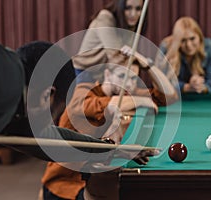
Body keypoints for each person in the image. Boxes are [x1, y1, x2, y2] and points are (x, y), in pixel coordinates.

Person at [0, 29, 156, 163]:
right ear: (46, 96)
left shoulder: (16, 117)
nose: (49, 123)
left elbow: (56, 142)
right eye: (55, 113)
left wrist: (112, 150)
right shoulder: (4, 72)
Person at [41, 56, 178, 199]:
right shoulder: (83, 90)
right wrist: (139, 100)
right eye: (122, 75)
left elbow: (168, 96)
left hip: (94, 180)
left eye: (133, 79)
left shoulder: (124, 93)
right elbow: (93, 105)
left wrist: (149, 64)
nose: (128, 85)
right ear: (107, 74)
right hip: (65, 184)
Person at [72, 0, 148, 84]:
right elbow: (115, 55)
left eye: (138, 9)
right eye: (128, 8)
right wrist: (143, 61)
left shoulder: (131, 25)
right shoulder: (105, 17)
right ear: (120, 6)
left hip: (105, 74)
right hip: (84, 71)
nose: (133, 14)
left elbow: (127, 57)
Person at [159, 16, 211, 93]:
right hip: (173, 100)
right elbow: (160, 83)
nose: (188, 45)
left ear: (200, 37)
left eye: (192, 38)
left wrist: (199, 86)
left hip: (200, 99)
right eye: (183, 40)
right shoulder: (166, 47)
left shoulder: (210, 47)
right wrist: (186, 87)